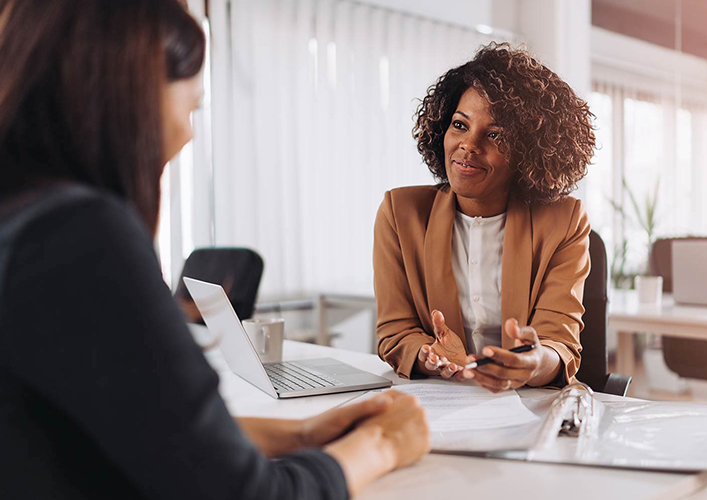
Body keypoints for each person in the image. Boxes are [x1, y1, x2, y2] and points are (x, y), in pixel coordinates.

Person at [0, 1, 429, 499]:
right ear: (130, 93)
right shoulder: (78, 236)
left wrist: (304, 434)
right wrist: (380, 445)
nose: (187, 133)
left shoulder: (24, 218)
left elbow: (146, 433)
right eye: (192, 106)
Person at [373, 42, 595, 392]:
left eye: (494, 135)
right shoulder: (401, 214)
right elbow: (395, 331)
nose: (469, 145)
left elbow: (559, 343)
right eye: (460, 125)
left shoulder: (564, 221)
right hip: (438, 402)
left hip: (530, 404)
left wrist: (531, 363)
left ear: (528, 152)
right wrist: (429, 356)